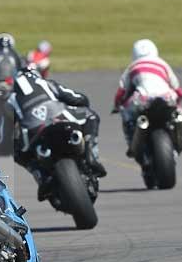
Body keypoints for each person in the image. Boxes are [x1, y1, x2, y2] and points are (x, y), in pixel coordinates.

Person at [6, 68, 107, 200]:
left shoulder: (10, 99)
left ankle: (40, 175)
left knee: (15, 149)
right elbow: (78, 98)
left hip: (34, 130)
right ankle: (90, 153)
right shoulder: (47, 84)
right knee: (91, 115)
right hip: (60, 117)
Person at [113, 39, 182, 155]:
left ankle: (131, 142)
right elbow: (178, 90)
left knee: (125, 112)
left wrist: (117, 105)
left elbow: (121, 91)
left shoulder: (132, 67)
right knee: (178, 112)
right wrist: (178, 102)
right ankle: (180, 138)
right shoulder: (163, 64)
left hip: (143, 98)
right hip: (166, 96)